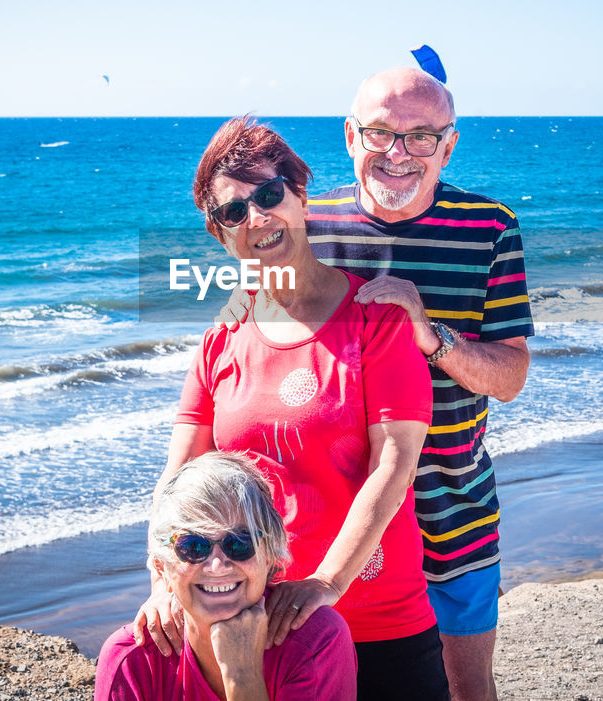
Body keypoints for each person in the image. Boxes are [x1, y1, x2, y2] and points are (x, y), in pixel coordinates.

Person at [136, 117, 451, 700]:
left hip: (379, 621)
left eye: (269, 195)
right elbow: (178, 480)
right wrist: (163, 579)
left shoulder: (377, 320)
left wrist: (325, 583)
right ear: (218, 232)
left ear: (301, 197)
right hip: (259, 627)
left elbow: (395, 464)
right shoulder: (219, 341)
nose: (256, 218)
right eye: (234, 212)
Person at [304, 68, 534, 701]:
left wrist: (431, 334)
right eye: (380, 132)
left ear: (449, 145)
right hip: (339, 514)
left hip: (451, 509)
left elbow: (510, 376)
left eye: (420, 136)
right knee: (333, 685)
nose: (397, 152)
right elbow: (258, 346)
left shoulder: (490, 228)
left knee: (467, 689)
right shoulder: (303, 229)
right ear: (351, 137)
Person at [95, 452, 356, 700]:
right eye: (193, 546)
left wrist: (242, 675)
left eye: (240, 543)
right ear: (162, 566)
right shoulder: (132, 659)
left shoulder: (314, 640)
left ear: (270, 556)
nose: (217, 565)